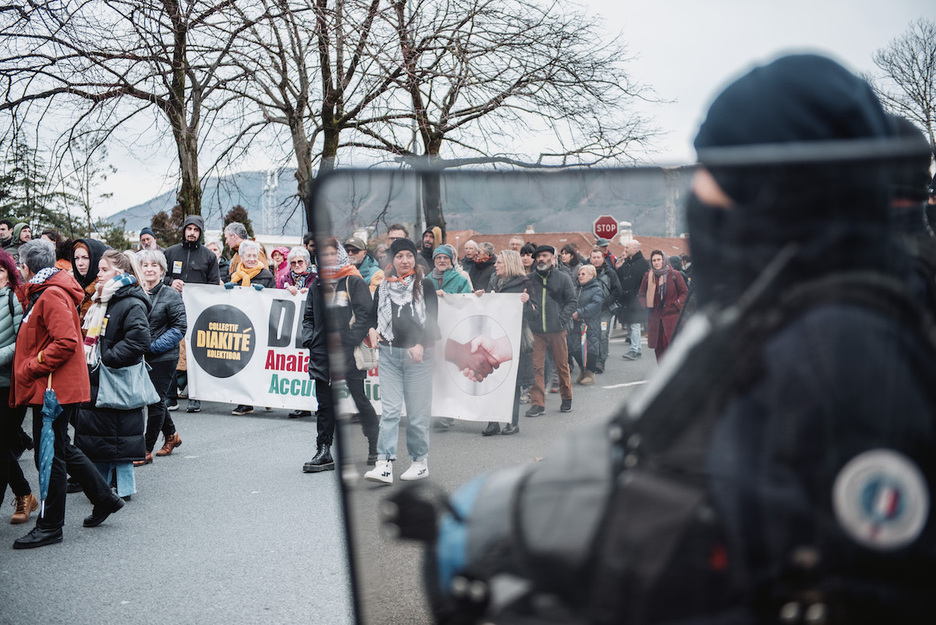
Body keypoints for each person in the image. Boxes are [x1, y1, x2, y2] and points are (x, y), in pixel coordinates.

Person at [429, 54, 936, 623]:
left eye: (717, 173)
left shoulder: (843, 348)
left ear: (772, 189)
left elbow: (848, 582)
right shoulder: (787, 307)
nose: (702, 194)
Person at [12, 240, 123, 549]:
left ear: (27, 266)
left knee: (50, 456)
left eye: (20, 265)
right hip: (54, 387)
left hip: (54, 389)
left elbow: (65, 342)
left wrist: (31, 367)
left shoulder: (51, 294)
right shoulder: (45, 291)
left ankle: (50, 526)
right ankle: (105, 498)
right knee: (61, 449)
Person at [75, 250, 151, 500]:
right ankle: (103, 486)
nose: (98, 274)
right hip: (100, 377)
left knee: (117, 435)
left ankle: (122, 488)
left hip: (114, 378)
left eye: (104, 269)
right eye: (99, 269)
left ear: (120, 273)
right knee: (104, 436)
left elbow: (139, 340)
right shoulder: (103, 299)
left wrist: (108, 358)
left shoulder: (130, 301)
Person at [363, 237, 439, 484]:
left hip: (418, 358)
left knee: (416, 415)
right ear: (391, 260)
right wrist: (373, 329)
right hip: (389, 355)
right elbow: (373, 318)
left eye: (408, 255)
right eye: (399, 256)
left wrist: (420, 344)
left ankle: (419, 462)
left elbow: (433, 320)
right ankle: (384, 464)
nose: (404, 261)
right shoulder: (383, 286)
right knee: (390, 411)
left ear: (415, 258)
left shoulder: (425, 284)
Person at [302, 239, 379, 471]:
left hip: (349, 351)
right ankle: (324, 450)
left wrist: (348, 341)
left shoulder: (353, 281)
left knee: (359, 399)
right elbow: (308, 317)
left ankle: (376, 445)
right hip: (322, 353)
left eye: (332, 254)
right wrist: (310, 340)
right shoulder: (317, 286)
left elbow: (366, 316)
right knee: (325, 404)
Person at [163, 214, 219, 414]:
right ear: (184, 230)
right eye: (189, 229)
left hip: (198, 312)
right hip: (171, 309)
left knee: (197, 354)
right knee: (169, 351)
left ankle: (196, 396)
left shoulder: (208, 256)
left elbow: (214, 285)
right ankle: (170, 397)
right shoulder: (170, 252)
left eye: (196, 230)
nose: (192, 233)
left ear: (200, 232)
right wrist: (171, 282)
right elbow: (160, 276)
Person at [474, 250, 532, 436]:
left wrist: (527, 303)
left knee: (512, 382)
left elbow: (535, 314)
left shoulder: (526, 283)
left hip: (515, 339)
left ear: (509, 264)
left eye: (499, 262)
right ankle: (493, 422)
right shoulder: (493, 281)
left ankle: (512, 422)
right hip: (494, 337)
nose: (496, 265)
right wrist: (481, 297)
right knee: (492, 379)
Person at [136, 249, 186, 465]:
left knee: (155, 401)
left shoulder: (171, 295)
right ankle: (172, 435)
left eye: (153, 265)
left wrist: (153, 347)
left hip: (163, 356)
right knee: (152, 398)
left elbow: (179, 328)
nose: (149, 269)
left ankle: (146, 449)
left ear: (162, 270)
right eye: (145, 265)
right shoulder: (136, 292)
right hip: (139, 355)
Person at [0, 249, 38, 525]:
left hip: (9, 384)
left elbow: (22, 342)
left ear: (9, 273)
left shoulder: (15, 298)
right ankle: (25, 493)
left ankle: (24, 495)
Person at [524, 245, 576, 417]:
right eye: (538, 256)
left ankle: (567, 397)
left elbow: (572, 301)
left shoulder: (563, 278)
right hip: (536, 330)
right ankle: (537, 403)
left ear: (553, 258)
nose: (541, 259)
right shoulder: (529, 279)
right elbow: (526, 303)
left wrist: (561, 319)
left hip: (557, 330)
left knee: (562, 366)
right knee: (536, 367)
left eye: (545, 256)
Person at [226, 240, 273, 416]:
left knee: (260, 362)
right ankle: (245, 402)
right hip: (240, 325)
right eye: (248, 256)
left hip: (259, 325)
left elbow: (274, 299)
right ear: (241, 257)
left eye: (255, 255)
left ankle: (265, 396)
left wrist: (265, 293)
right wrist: (226, 290)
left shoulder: (266, 275)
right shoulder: (233, 276)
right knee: (242, 362)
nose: (252, 259)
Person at [637, 250, 687, 362]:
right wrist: (647, 306)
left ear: (664, 260)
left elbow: (684, 293)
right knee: (658, 348)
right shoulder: (648, 276)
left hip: (671, 318)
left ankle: (673, 373)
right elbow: (641, 294)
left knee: (670, 347)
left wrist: (676, 304)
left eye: (659, 259)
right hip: (654, 319)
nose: (656, 263)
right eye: (654, 260)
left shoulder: (674, 274)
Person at [588, 247, 621, 373]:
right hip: (589, 310)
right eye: (594, 257)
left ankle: (600, 362)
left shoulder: (610, 273)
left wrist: (605, 303)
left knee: (602, 335)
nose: (596, 260)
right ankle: (590, 360)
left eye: (598, 257)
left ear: (603, 258)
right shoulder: (585, 272)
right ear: (590, 259)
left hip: (605, 310)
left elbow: (618, 290)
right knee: (591, 335)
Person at [615, 239, 650, 360]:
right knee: (631, 325)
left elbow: (646, 283)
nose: (624, 250)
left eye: (627, 248)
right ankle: (637, 349)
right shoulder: (627, 262)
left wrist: (640, 297)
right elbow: (621, 280)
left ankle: (634, 349)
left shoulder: (643, 263)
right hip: (628, 300)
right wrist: (618, 269)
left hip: (636, 299)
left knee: (634, 325)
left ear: (635, 249)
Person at [570, 263, 601, 386]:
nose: (580, 276)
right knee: (576, 348)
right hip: (576, 324)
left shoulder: (596, 289)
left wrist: (580, 313)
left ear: (591, 275)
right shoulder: (576, 288)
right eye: (579, 274)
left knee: (590, 349)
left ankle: (590, 373)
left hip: (590, 323)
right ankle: (582, 370)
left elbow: (596, 305)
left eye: (583, 274)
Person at [70, 237, 109, 323]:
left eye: (85, 258)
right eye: (76, 258)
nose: (80, 263)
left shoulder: (105, 290)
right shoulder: (73, 287)